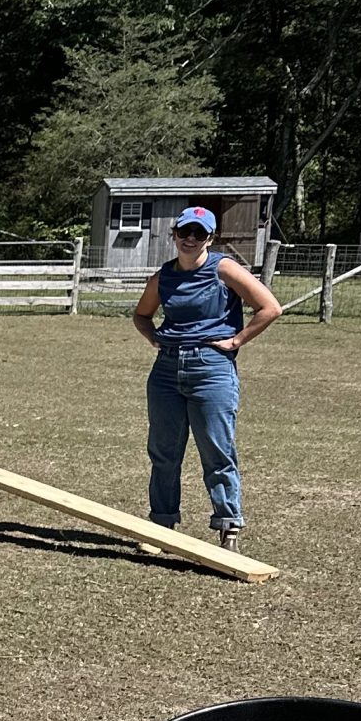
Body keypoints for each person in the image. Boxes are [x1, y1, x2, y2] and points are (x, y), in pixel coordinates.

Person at [131, 205, 280, 551]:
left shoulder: (223, 268)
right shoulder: (164, 276)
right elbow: (141, 314)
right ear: (175, 235)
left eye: (199, 233)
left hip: (212, 369)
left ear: (210, 238)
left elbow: (270, 307)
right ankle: (162, 526)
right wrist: (154, 337)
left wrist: (236, 340)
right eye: (185, 232)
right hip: (166, 371)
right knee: (164, 452)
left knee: (217, 450)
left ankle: (228, 528)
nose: (191, 239)